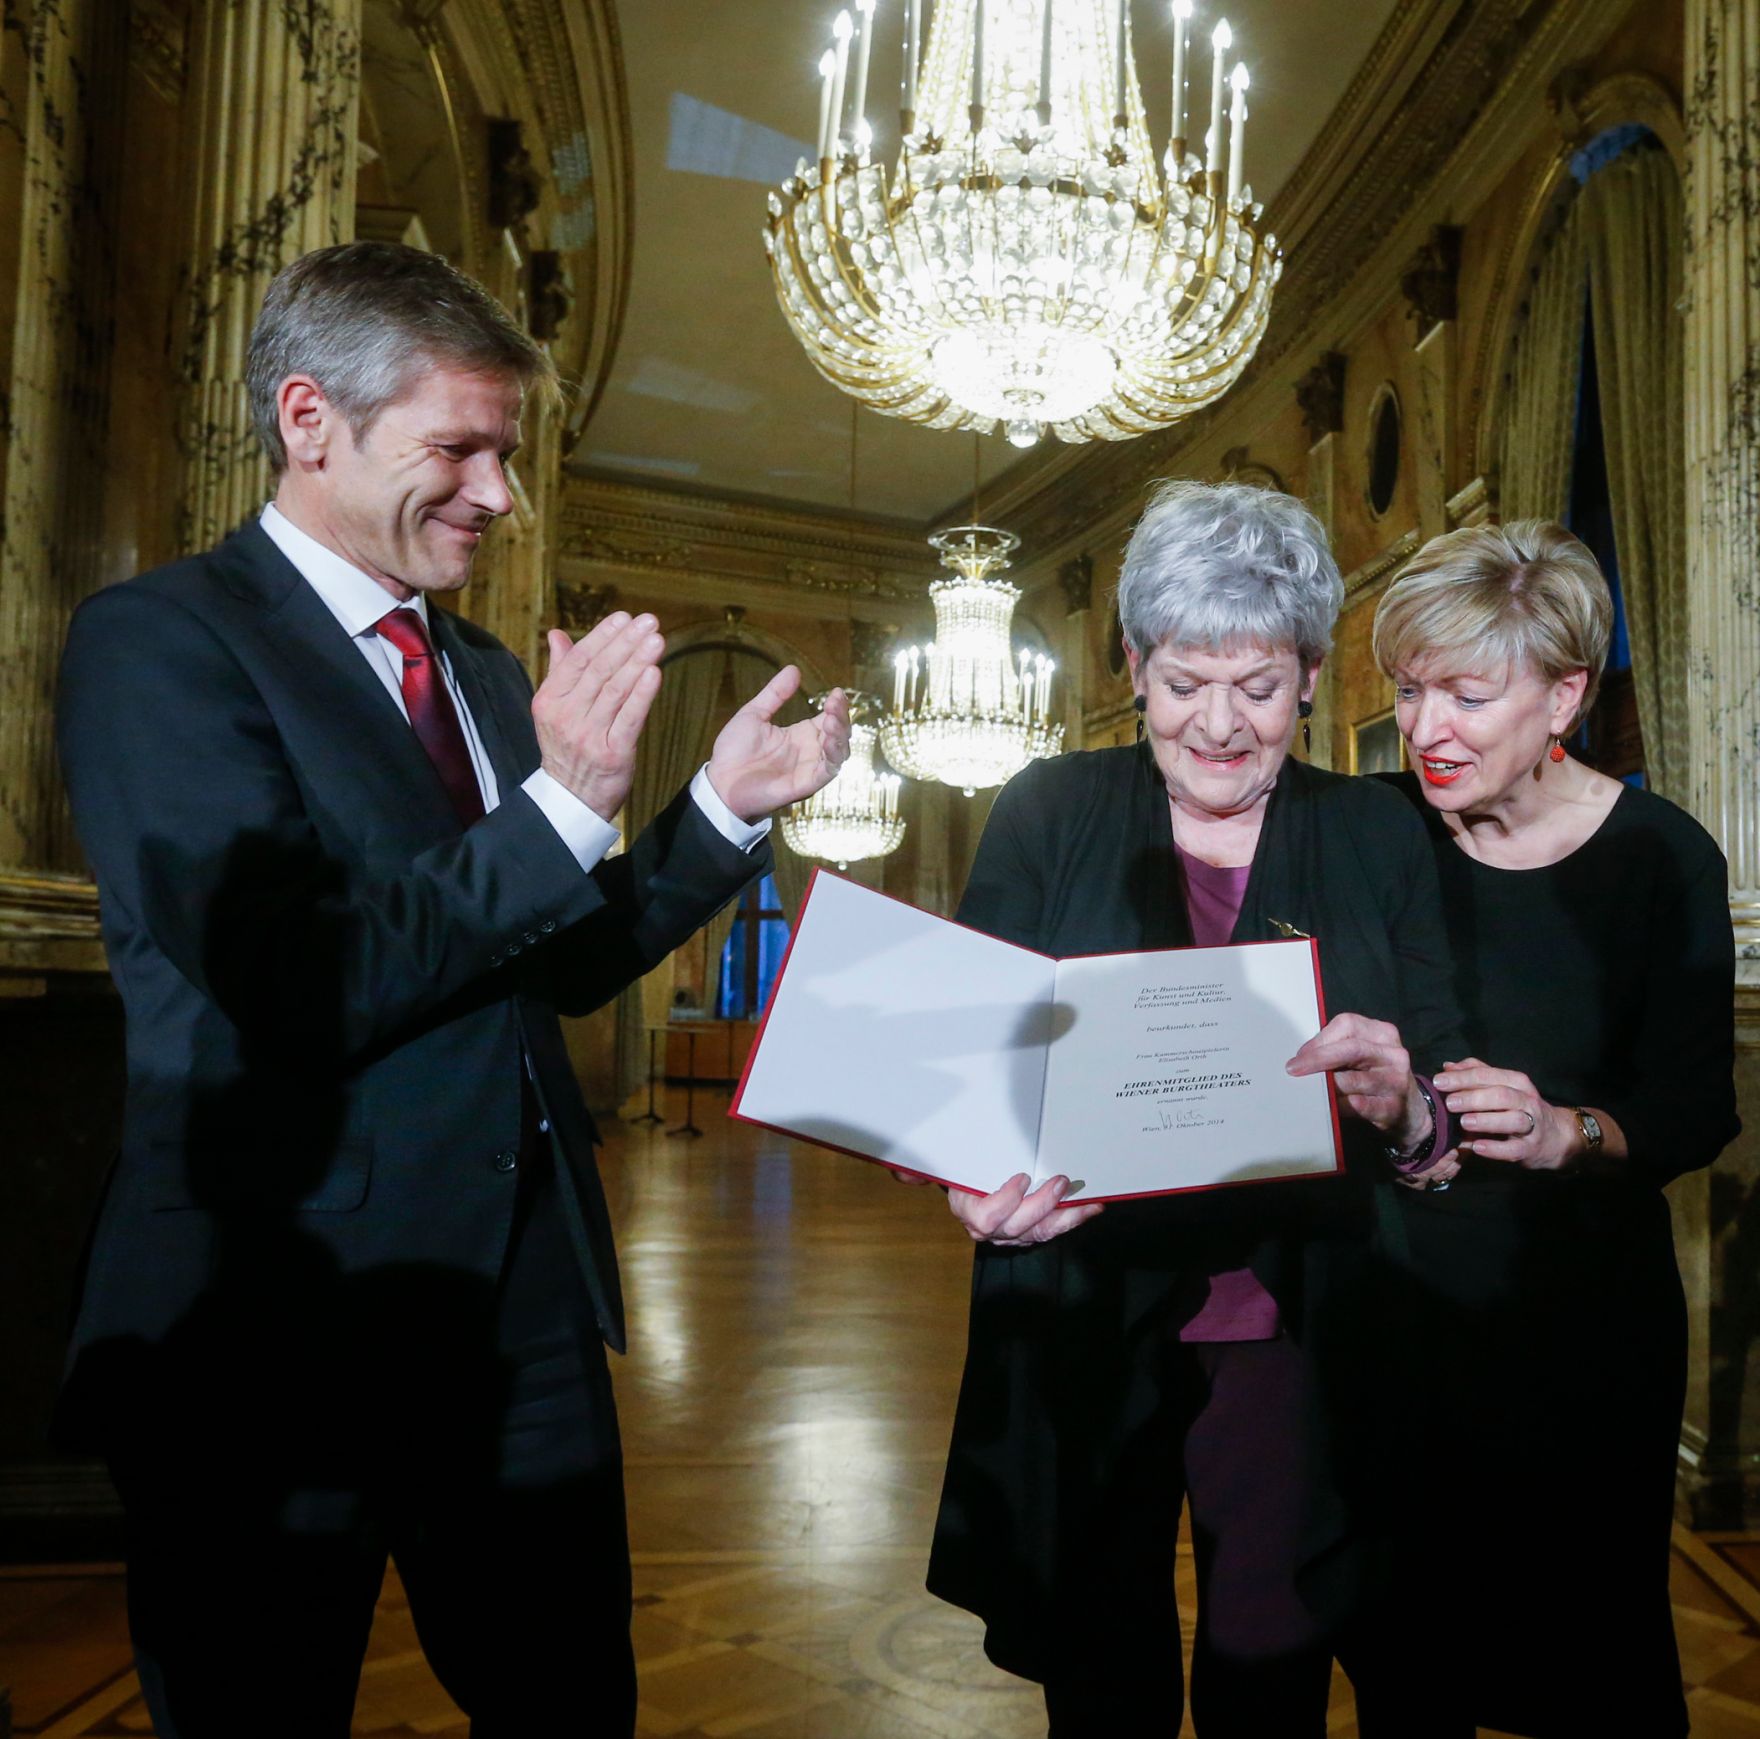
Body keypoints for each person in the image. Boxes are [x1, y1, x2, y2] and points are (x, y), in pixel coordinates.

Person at [53, 241, 849, 1737]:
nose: (500, 493)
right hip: (276, 1329)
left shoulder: (481, 668)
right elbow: (299, 976)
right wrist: (564, 803)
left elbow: (555, 957)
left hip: (524, 1314)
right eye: (461, 448)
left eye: (510, 452)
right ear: (310, 419)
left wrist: (720, 810)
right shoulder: (160, 643)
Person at [919, 480, 1466, 1738]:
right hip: (1078, 1299)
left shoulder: (1378, 833)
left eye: (1257, 686)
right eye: (1181, 682)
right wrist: (966, 1174)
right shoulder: (1049, 807)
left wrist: (1402, 1103)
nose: (1217, 725)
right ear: (1131, 666)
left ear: (1314, 675)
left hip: (1293, 1318)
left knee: (1267, 1658)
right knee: (1096, 1662)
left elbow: (1433, 1086)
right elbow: (966, 1059)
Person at [1349, 521, 1739, 1739]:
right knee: (1400, 1663)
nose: (1424, 728)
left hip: (1576, 1329)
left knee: (1588, 1664)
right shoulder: (1370, 831)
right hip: (1387, 1317)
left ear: (1564, 690)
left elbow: (1691, 1107)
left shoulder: (1661, 856)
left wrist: (1566, 1127)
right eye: (1408, 691)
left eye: (1467, 692)